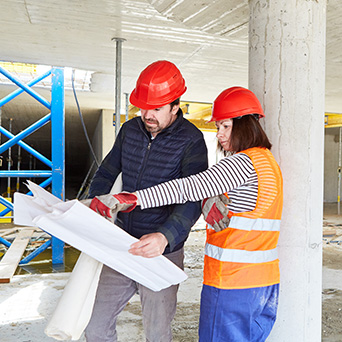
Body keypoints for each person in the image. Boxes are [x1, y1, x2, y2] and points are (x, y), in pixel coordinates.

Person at [113, 86, 283, 342]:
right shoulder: (268, 163)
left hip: (232, 283)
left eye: (225, 126)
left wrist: (132, 199)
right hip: (264, 284)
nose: (220, 135)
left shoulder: (241, 162)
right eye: (218, 127)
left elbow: (186, 187)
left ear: (247, 125)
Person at [84, 60, 208, 342]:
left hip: (162, 252)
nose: (146, 115)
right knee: (95, 327)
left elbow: (194, 198)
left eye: (156, 109)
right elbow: (107, 171)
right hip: (122, 243)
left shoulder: (191, 140)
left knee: (157, 334)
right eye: (143, 107)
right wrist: (97, 202)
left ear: (175, 107)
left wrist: (166, 237)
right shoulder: (130, 130)